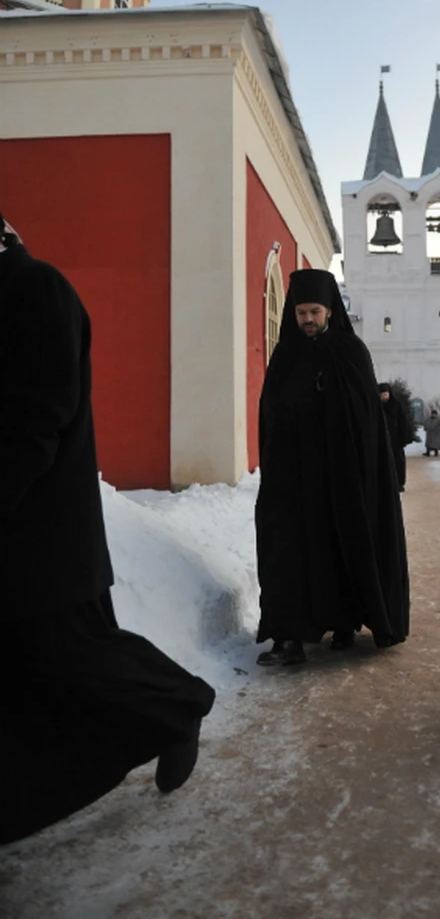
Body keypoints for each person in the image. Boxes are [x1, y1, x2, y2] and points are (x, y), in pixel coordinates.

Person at [0, 215, 215, 845]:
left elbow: (39, 417)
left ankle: (179, 707)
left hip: (43, 537)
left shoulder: (36, 289)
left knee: (77, 656)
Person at [254, 269, 410, 666]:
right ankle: (287, 637)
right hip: (294, 478)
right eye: (302, 312)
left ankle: (346, 623)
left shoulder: (351, 352)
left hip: (344, 476)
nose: (308, 319)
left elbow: (367, 421)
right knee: (287, 553)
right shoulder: (285, 356)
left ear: (329, 311)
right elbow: (270, 414)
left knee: (344, 547)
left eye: (315, 311)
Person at [378, 382, 411, 492]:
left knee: (398, 461)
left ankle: (399, 483)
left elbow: (403, 422)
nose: (384, 397)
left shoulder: (396, 405)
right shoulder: (376, 406)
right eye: (382, 395)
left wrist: (404, 438)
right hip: (381, 439)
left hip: (396, 440)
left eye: (385, 395)